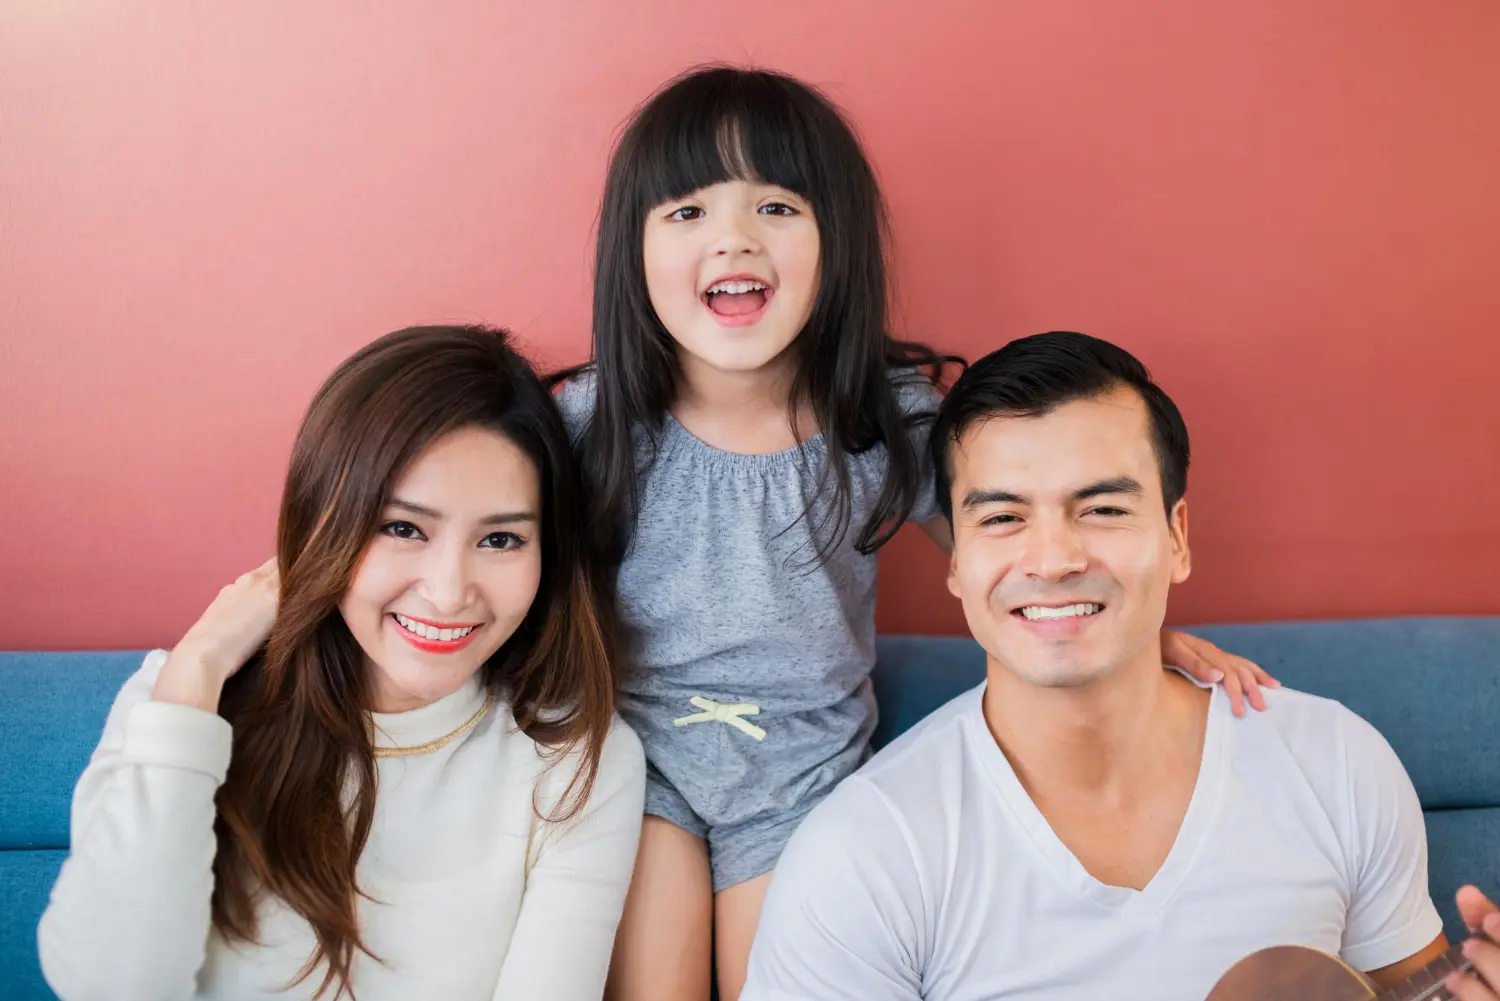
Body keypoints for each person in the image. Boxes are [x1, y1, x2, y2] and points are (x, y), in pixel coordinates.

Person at [553, 66, 1275, 1001]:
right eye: (686, 212)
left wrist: (1137, 637)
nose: (733, 236)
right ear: (633, 250)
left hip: (800, 773)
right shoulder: (592, 423)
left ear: (836, 243)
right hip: (641, 756)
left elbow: (1016, 550)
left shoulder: (885, 421)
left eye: (776, 206)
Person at [742, 331, 1448, 1001]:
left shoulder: (1336, 763)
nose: (1053, 560)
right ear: (955, 559)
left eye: (1103, 508)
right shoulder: (862, 852)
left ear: (1176, 537)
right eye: (1002, 518)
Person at [38, 325, 646, 1001]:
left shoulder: (577, 763)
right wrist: (200, 666)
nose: (449, 591)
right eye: (404, 528)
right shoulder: (181, 705)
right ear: (325, 521)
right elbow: (114, 987)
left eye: (500, 538)